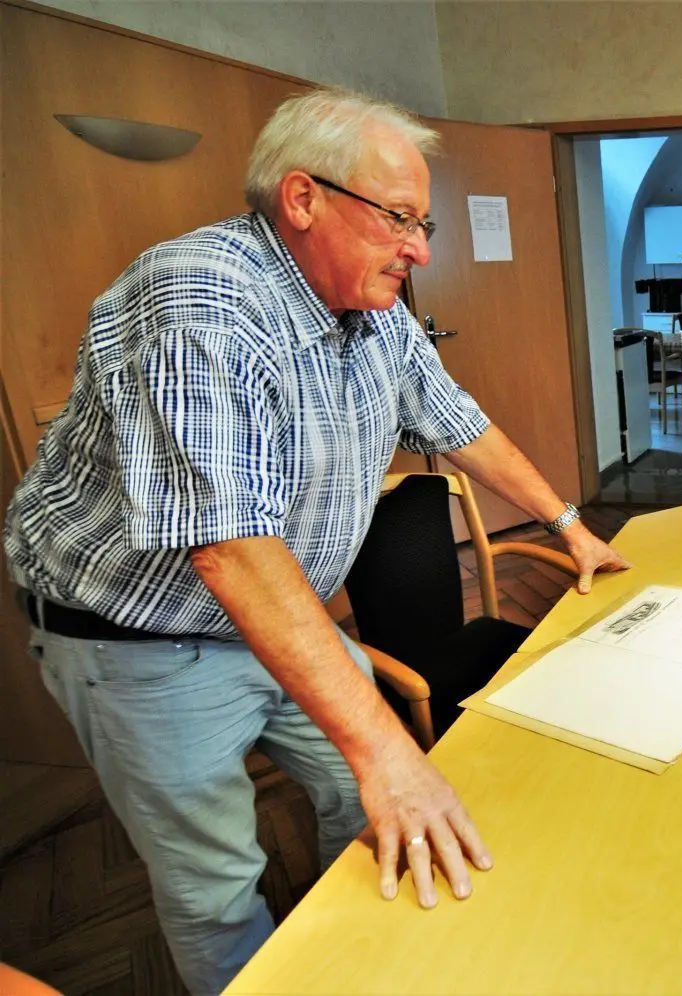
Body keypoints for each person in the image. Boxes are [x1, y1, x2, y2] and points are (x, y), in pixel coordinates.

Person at [3, 88, 630, 993]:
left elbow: (460, 423)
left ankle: (370, 967)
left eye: (425, 224)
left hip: (272, 608)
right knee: (216, 881)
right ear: (303, 199)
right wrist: (387, 752)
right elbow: (227, 547)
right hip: (139, 640)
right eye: (398, 219)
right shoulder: (199, 301)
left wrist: (571, 528)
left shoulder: (374, 309)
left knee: (361, 799)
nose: (418, 247)